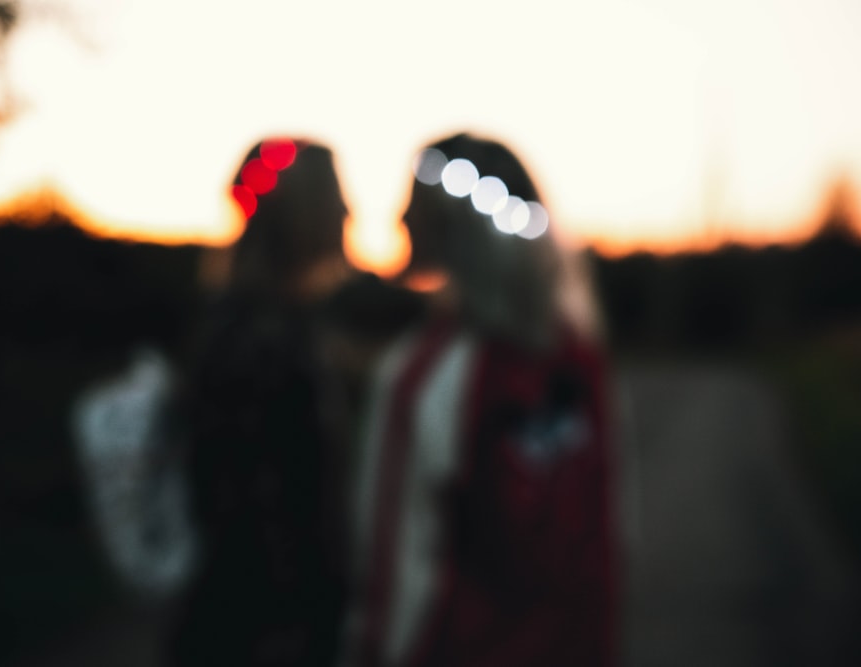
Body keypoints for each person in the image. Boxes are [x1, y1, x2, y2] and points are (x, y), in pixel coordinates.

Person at [341, 133, 618, 667]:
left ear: (451, 228)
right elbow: (608, 539)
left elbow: (394, 579)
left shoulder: (424, 377)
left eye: (412, 202)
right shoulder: (579, 361)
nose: (398, 217)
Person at [167, 137, 355, 667]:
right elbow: (253, 517)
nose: (348, 211)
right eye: (336, 196)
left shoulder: (256, 326)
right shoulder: (261, 341)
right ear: (302, 214)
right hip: (259, 638)